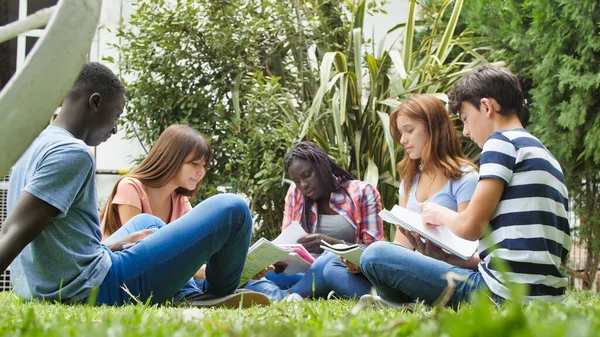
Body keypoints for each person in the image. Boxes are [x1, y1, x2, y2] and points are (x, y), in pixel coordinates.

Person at [0, 62, 268, 307]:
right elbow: (14, 229)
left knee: (147, 225)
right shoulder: (72, 153)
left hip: (55, 282)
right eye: (115, 116)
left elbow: (53, 238)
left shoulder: (37, 144)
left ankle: (186, 295)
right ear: (95, 102)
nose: (114, 129)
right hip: (91, 288)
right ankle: (215, 295)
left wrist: (116, 245)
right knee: (233, 208)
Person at [361, 65, 571, 307]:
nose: (468, 132)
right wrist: (443, 257)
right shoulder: (545, 156)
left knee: (376, 255)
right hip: (548, 298)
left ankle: (398, 304)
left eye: (466, 120)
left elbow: (471, 227)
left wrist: (439, 213)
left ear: (487, 107)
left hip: (500, 294)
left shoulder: (501, 143)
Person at [100, 124, 272, 284]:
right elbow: (139, 256)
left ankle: (283, 294)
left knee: (253, 283)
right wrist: (206, 272)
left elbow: (195, 253)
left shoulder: (180, 201)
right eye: (195, 164)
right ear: (171, 158)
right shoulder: (131, 187)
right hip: (121, 275)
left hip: (164, 276)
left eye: (204, 165)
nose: (201, 172)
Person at [358, 94, 478, 307]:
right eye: (401, 133)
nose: (403, 140)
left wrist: (441, 256)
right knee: (363, 257)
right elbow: (401, 246)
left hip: (453, 272)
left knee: (375, 254)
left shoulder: (465, 177)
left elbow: (475, 252)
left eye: (409, 130)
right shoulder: (410, 179)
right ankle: (403, 302)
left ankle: (402, 301)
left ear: (433, 129)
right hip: (420, 271)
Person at [244, 141, 384, 300]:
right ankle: (293, 294)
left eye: (307, 175)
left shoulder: (362, 192)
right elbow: (287, 243)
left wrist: (330, 244)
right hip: (304, 274)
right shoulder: (295, 193)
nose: (303, 185)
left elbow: (374, 253)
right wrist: (278, 261)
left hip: (339, 270)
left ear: (322, 166)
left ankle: (286, 296)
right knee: (251, 273)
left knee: (329, 259)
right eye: (296, 180)